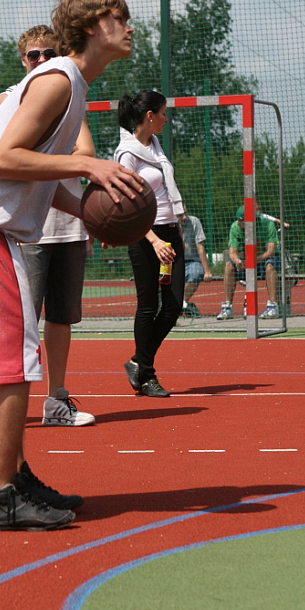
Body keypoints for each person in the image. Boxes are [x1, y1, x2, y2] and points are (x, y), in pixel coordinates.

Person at [0, 0, 142, 531]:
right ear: (91, 26)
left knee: (18, 357)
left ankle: (16, 477)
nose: (130, 26)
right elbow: (4, 161)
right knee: (12, 361)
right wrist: (89, 167)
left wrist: (91, 212)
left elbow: (36, 178)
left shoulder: (73, 85)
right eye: (119, 17)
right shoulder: (58, 79)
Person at [0, 25, 95, 427]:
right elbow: (12, 156)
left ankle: (56, 400)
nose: (41, 60)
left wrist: (42, 152)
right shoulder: (10, 98)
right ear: (23, 60)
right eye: (33, 55)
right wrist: (60, 153)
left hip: (68, 226)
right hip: (28, 227)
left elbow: (87, 151)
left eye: (49, 54)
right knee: (19, 321)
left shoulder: (69, 96)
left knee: (61, 317)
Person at [114, 91, 185, 399]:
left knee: (173, 305)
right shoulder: (126, 153)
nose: (167, 119)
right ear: (149, 116)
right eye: (164, 113)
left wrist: (174, 228)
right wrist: (154, 240)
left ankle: (137, 362)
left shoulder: (155, 146)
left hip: (170, 232)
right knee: (148, 306)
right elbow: (128, 205)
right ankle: (147, 376)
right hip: (145, 236)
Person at [217, 205, 281, 320]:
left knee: (270, 266)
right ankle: (227, 307)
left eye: (242, 221)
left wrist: (253, 261)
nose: (239, 224)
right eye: (238, 220)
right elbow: (232, 252)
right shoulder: (235, 227)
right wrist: (237, 261)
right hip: (247, 261)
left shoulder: (268, 225)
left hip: (265, 261)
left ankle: (273, 306)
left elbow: (270, 251)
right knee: (229, 265)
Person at [180, 204, 212, 317]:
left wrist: (207, 271)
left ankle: (180, 303)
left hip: (192, 260)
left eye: (186, 213)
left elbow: (200, 247)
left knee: (196, 273)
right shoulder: (169, 225)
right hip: (174, 262)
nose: (184, 217)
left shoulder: (194, 222)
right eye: (181, 214)